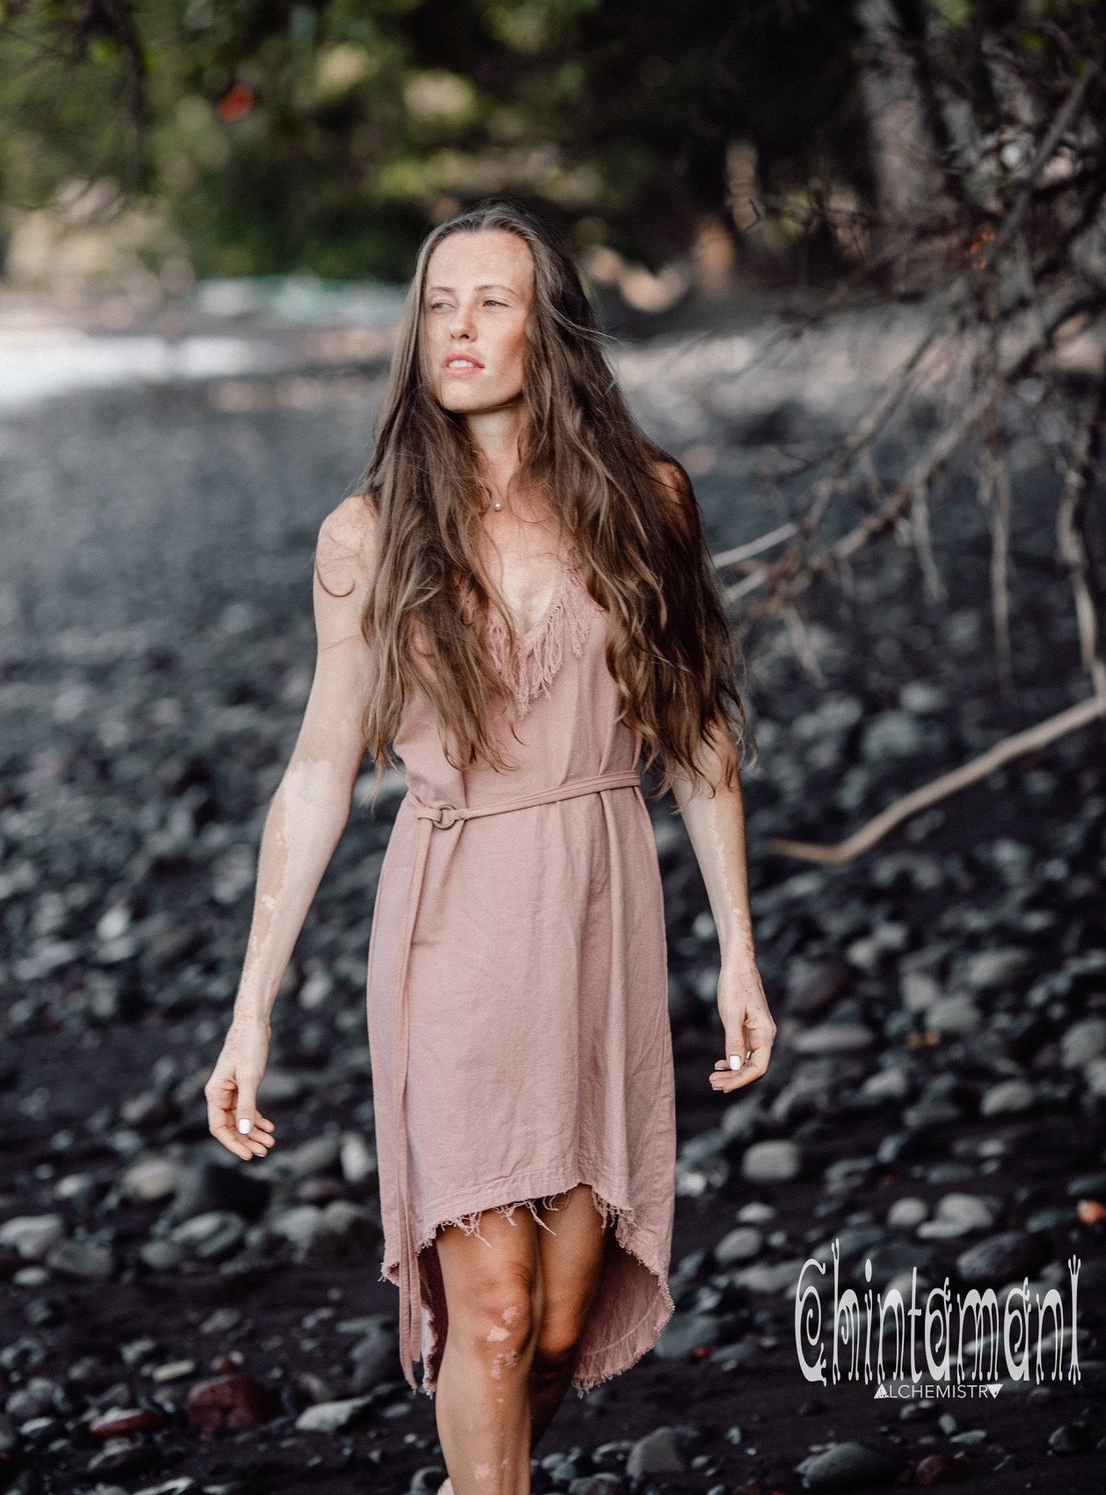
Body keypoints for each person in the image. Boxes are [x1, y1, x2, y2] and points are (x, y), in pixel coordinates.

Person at [204, 199, 776, 1495]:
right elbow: (316, 771)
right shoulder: (369, 534)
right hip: (452, 912)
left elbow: (694, 737)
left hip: (598, 907)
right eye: (439, 305)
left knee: (564, 1320)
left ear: (547, 330)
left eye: (491, 302)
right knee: (497, 1308)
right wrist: (253, 1012)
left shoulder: (649, 504)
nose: (457, 329)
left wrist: (739, 952)